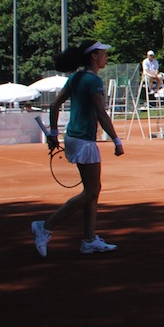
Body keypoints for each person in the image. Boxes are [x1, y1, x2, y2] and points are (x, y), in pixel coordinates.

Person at [31, 41, 123, 257]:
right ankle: (45, 226)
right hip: (84, 140)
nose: (105, 57)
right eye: (103, 54)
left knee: (93, 191)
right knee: (91, 191)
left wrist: (53, 134)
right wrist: (117, 140)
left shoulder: (75, 78)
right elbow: (101, 114)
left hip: (73, 137)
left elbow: (54, 106)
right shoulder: (93, 81)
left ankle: (89, 239)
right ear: (94, 57)